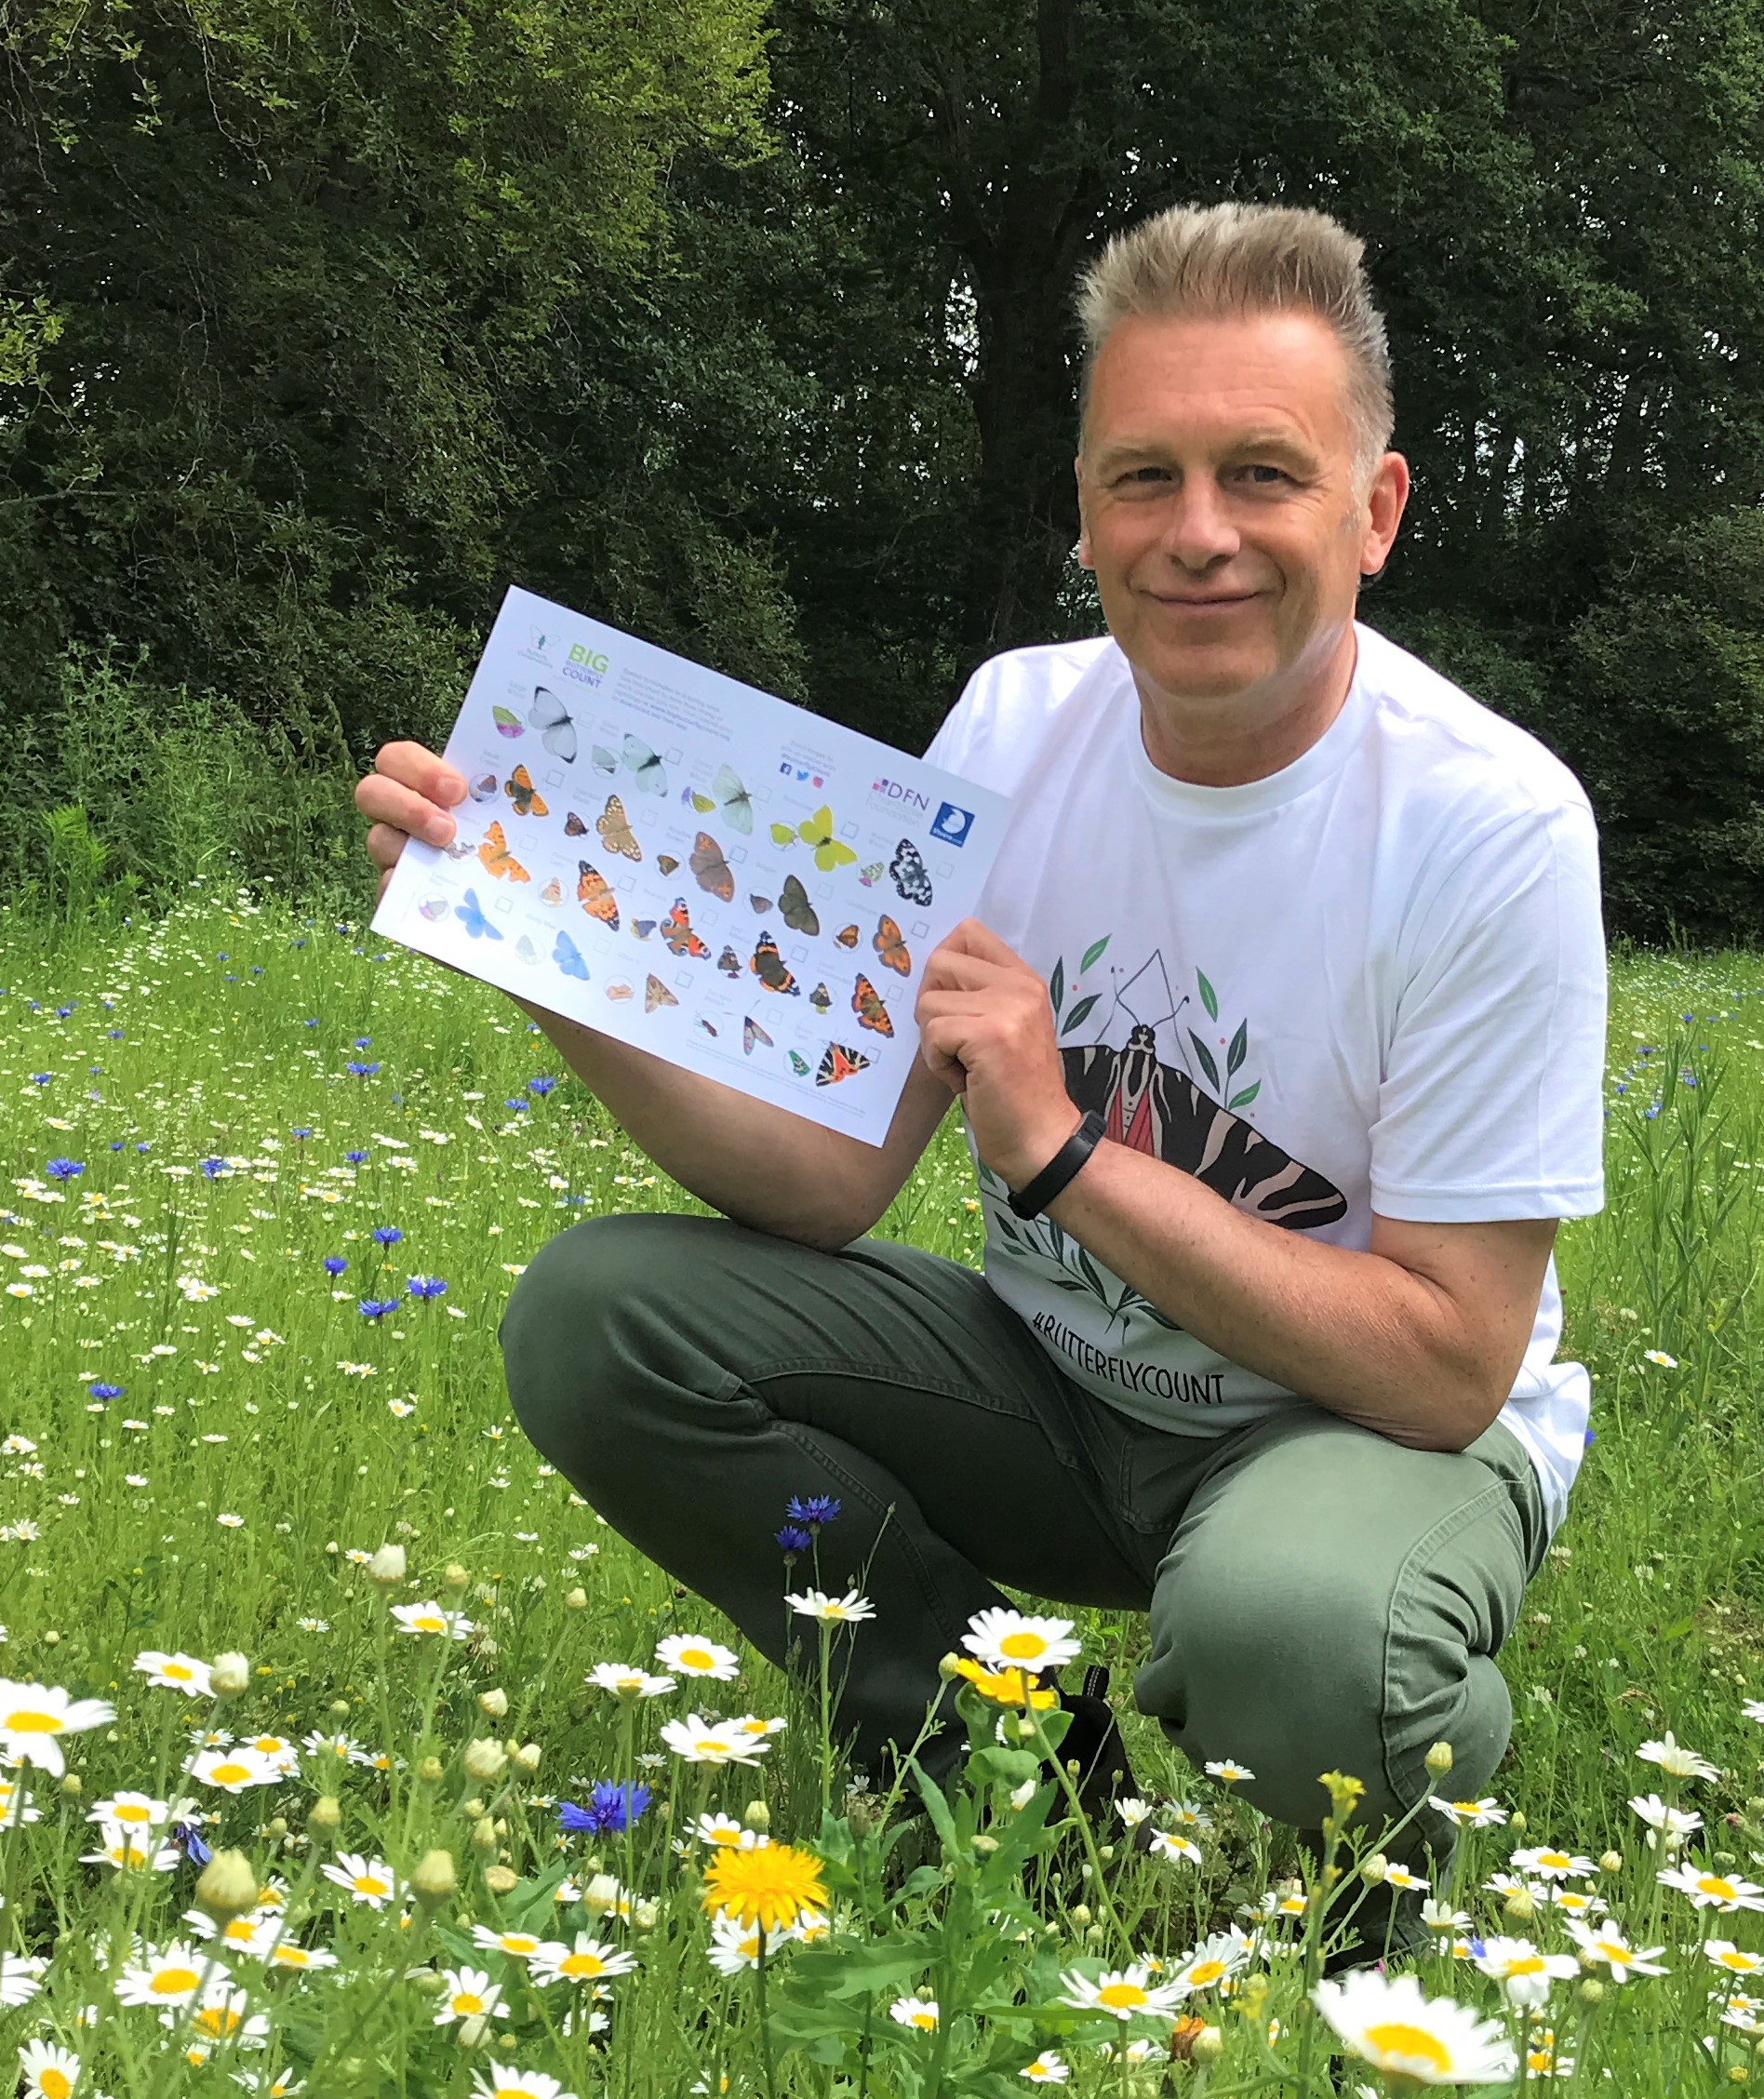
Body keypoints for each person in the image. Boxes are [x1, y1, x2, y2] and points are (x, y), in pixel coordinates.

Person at [354, 203, 1606, 1945]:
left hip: (1356, 1437)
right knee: (601, 1317)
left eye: (1262, 474)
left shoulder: (1490, 825)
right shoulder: (1013, 729)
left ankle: (1370, 1848)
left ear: (1373, 513)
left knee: (1298, 1631)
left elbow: (1455, 1366)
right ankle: (1009, 1774)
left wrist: (1065, 1155)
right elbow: (826, 1181)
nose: (1197, 536)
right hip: (1064, 1392)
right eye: (1139, 478)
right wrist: (534, 948)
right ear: (1082, 507)